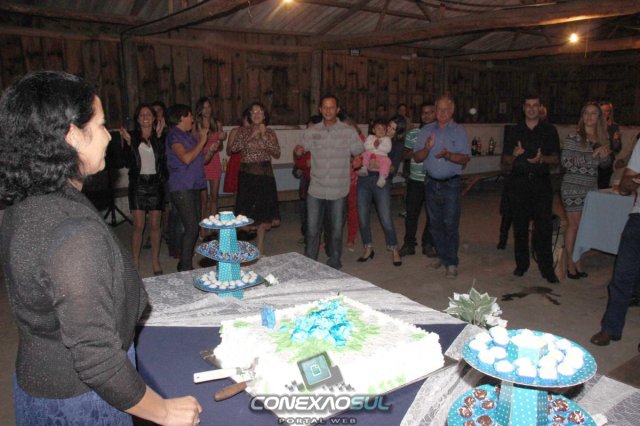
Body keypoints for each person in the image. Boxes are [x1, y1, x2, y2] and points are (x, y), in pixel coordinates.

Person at [0, 71, 201, 425]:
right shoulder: (73, 235)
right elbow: (97, 361)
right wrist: (164, 411)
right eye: (102, 124)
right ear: (72, 135)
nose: (109, 136)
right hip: (80, 400)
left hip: (38, 379)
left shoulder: (25, 202)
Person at [294, 95, 364, 270]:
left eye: (331, 107)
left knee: (336, 230)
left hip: (338, 190)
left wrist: (358, 160)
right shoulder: (312, 131)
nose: (328, 110)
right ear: (320, 109)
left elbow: (358, 152)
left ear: (337, 110)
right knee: (312, 229)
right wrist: (298, 151)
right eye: (324, 107)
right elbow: (300, 151)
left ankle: (334, 262)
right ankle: (309, 263)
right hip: (316, 189)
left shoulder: (348, 132)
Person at [502, 93, 560, 283]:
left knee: (543, 228)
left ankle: (547, 269)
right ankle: (522, 265)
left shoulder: (549, 130)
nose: (532, 108)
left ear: (540, 107)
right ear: (524, 108)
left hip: (541, 184)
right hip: (519, 184)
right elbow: (505, 161)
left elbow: (556, 159)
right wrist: (514, 154)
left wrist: (543, 159)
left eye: (535, 105)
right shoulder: (514, 131)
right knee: (520, 227)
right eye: (528, 105)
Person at [590, 138, 640, 348]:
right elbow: (626, 185)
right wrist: (632, 181)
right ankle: (610, 328)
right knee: (621, 275)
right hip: (638, 218)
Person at [414, 93, 470, 278]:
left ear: (452, 111)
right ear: (435, 110)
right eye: (439, 109)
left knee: (450, 224)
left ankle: (451, 262)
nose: (443, 112)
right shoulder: (426, 130)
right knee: (435, 224)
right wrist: (427, 148)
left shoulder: (459, 131)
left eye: (446, 109)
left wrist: (448, 155)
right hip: (431, 183)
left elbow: (465, 159)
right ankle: (442, 255)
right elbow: (417, 157)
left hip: (451, 184)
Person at [561, 102, 611, 279]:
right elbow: (565, 162)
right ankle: (569, 263)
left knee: (583, 227)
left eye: (593, 113)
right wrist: (591, 155)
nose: (589, 116)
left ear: (599, 117)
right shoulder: (573, 137)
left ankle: (577, 260)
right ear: (582, 117)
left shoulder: (602, 138)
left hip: (591, 187)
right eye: (586, 113)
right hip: (573, 186)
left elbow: (604, 165)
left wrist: (605, 157)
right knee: (573, 225)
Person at [120, 104, 167, 276]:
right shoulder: (131, 137)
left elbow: (162, 161)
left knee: (155, 225)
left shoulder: (159, 137)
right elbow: (127, 162)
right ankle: (135, 260)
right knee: (138, 225)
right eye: (142, 115)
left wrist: (159, 137)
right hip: (138, 185)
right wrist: (129, 144)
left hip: (155, 184)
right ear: (138, 119)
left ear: (154, 118)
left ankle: (155, 260)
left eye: (148, 114)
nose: (145, 117)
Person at [228, 102, 280, 254]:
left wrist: (263, 136)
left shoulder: (270, 132)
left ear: (264, 115)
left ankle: (260, 247)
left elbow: (276, 152)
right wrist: (251, 135)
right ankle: (240, 247)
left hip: (265, 176)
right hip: (247, 176)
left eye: (260, 111)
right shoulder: (242, 131)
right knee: (244, 214)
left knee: (263, 214)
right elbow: (234, 148)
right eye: (253, 112)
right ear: (250, 116)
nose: (257, 114)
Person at [356, 116, 405, 267]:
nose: (389, 130)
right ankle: (368, 247)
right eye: (389, 126)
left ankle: (394, 248)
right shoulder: (373, 137)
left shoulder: (395, 145)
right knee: (362, 216)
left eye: (393, 129)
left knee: (385, 217)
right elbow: (364, 151)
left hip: (382, 181)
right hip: (365, 179)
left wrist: (381, 165)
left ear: (398, 132)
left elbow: (393, 168)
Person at [166, 104, 208, 272]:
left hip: (193, 185)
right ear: (181, 117)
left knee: (193, 226)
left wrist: (209, 150)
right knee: (191, 227)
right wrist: (202, 141)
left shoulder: (187, 136)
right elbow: (186, 158)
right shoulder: (174, 135)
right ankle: (185, 266)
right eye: (190, 116)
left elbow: (198, 159)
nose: (192, 119)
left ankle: (184, 262)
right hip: (182, 186)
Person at [399, 101, 437, 258]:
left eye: (430, 112)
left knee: (432, 215)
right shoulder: (413, 133)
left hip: (433, 179)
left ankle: (428, 243)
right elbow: (405, 154)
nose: (426, 116)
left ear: (436, 113)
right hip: (415, 180)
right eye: (423, 113)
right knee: (411, 214)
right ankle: (409, 244)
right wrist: (416, 152)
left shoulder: (440, 134)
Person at [194, 97, 226, 231]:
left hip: (214, 161)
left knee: (214, 196)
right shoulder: (196, 125)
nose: (207, 110)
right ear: (199, 110)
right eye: (204, 107)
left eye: (208, 106)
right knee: (203, 199)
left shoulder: (217, 124)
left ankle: (213, 228)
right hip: (201, 161)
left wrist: (220, 140)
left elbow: (220, 147)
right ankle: (203, 229)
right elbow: (194, 146)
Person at [222, 109, 250, 195]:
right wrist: (236, 145)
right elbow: (228, 152)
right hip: (236, 162)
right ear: (243, 119)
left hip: (249, 164)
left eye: (250, 119)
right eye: (246, 119)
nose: (248, 122)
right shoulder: (235, 131)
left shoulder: (255, 131)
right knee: (236, 192)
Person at [598, 101, 623, 189]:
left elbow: (616, 148)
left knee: (602, 187)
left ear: (610, 112)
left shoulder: (614, 126)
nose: (604, 113)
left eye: (607, 111)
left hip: (607, 162)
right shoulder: (592, 124)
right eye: (602, 111)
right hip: (593, 160)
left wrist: (616, 140)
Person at [362, 118, 393, 188]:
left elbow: (388, 149)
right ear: (373, 130)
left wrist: (378, 146)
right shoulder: (370, 137)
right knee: (364, 154)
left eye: (383, 129)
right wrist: (373, 145)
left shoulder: (387, 139)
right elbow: (366, 146)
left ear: (386, 131)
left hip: (381, 157)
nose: (381, 131)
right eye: (378, 128)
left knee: (387, 161)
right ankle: (363, 168)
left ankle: (382, 177)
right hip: (370, 155)